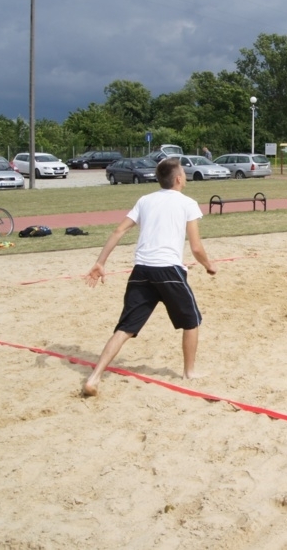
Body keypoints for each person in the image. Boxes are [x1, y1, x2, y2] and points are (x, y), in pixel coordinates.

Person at [81, 157, 217, 396]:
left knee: (125, 328)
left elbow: (119, 230)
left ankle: (94, 377)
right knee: (192, 321)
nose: (185, 176)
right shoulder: (188, 203)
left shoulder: (145, 200)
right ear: (178, 179)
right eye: (183, 173)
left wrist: (101, 262)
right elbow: (196, 247)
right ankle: (189, 372)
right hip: (169, 270)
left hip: (141, 270)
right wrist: (208, 265)